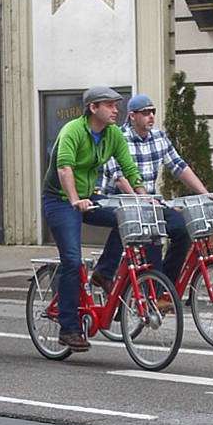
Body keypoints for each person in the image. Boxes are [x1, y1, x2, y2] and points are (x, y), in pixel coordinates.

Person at [41, 86, 146, 352]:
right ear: (93, 108)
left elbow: (129, 167)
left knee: (125, 220)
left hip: (87, 197)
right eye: (110, 105)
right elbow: (64, 168)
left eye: (116, 105)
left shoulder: (112, 134)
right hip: (60, 200)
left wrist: (143, 198)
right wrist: (74, 200)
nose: (116, 110)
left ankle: (103, 273)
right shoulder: (72, 131)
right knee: (72, 261)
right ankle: (68, 329)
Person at [93, 94, 212, 291]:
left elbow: (179, 167)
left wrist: (205, 193)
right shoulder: (118, 137)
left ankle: (165, 287)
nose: (151, 116)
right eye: (145, 112)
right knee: (148, 234)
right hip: (121, 201)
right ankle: (135, 285)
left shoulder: (158, 137)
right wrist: (141, 202)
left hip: (150, 201)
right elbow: (120, 178)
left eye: (153, 112)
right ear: (132, 116)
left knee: (181, 231)